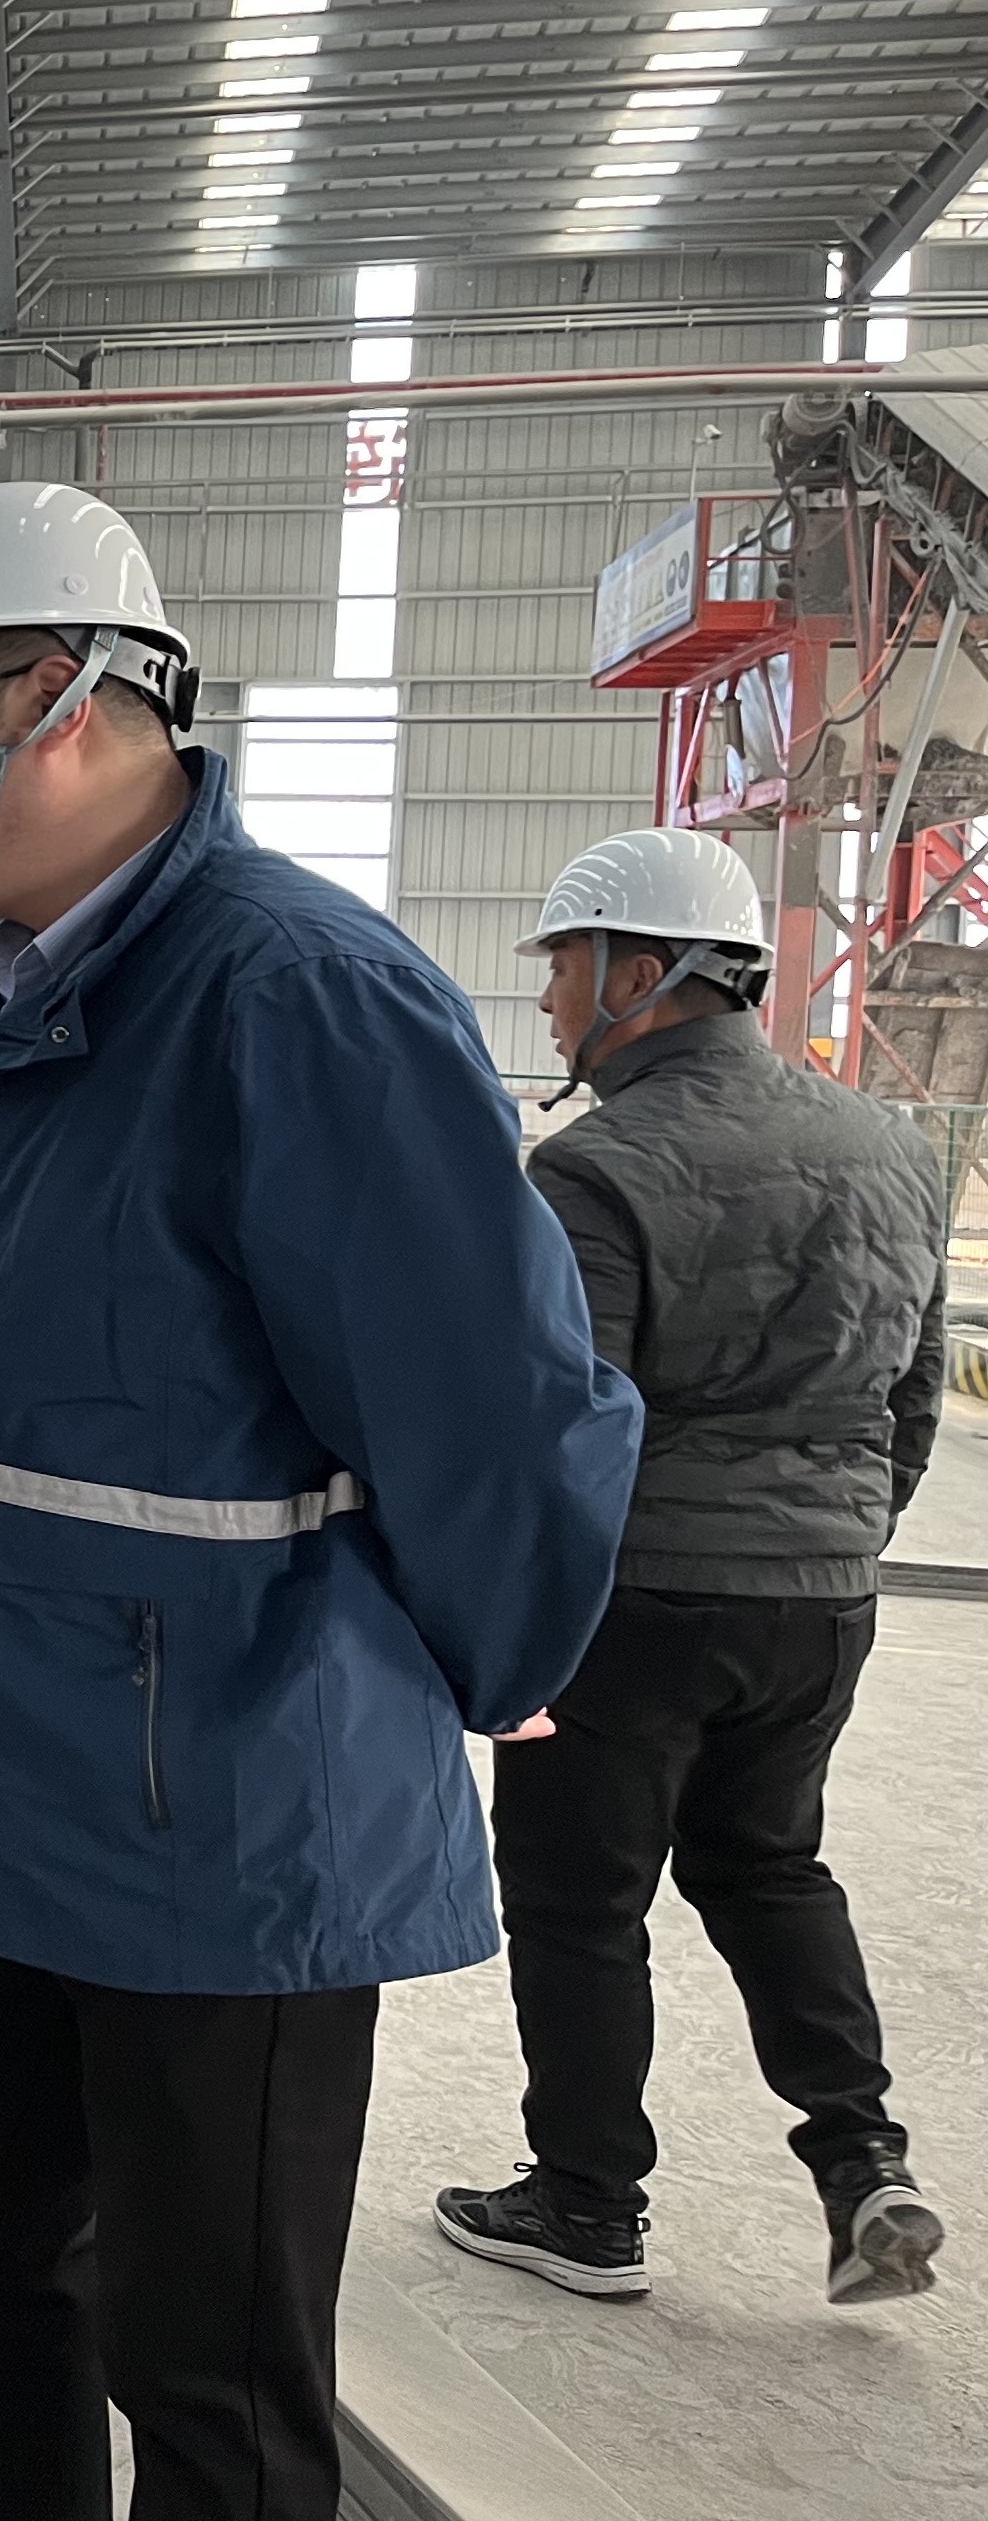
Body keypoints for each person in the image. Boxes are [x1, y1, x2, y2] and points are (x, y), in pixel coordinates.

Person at [0, 484, 640, 2521]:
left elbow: (496, 1412)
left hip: (221, 1828)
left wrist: (498, 1654)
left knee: (207, 2368)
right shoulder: (2, 1003)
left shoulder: (297, 1001)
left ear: (54, 700)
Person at [437, 828, 948, 2308]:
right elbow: (913, 1393)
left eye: (564, 967)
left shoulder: (595, 1170)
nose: (549, 1001)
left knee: (580, 1903)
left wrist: (509, 1623)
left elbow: (560, 1425)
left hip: (638, 1605)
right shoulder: (890, 1149)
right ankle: (861, 2159)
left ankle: (588, 2203)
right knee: (770, 1864)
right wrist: (838, 1535)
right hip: (822, 1597)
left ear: (640, 973)